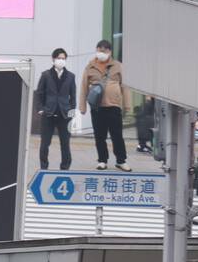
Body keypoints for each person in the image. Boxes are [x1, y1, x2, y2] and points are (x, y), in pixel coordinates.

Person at [80, 40, 132, 172]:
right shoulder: (90, 67)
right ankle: (102, 160)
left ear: (110, 52)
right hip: (97, 107)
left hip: (114, 106)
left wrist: (127, 105)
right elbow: (84, 87)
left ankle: (121, 160)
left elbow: (125, 87)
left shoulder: (118, 66)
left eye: (104, 51)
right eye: (99, 50)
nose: (101, 53)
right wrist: (82, 107)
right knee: (99, 135)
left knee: (117, 135)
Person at [35, 48, 76, 171]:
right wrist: (40, 109)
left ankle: (65, 167)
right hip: (48, 113)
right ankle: (44, 167)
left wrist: (72, 111)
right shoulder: (46, 75)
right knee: (45, 143)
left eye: (63, 58)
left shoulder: (70, 76)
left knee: (65, 143)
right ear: (53, 59)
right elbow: (39, 93)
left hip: (64, 115)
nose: (61, 60)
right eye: (59, 58)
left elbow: (73, 96)